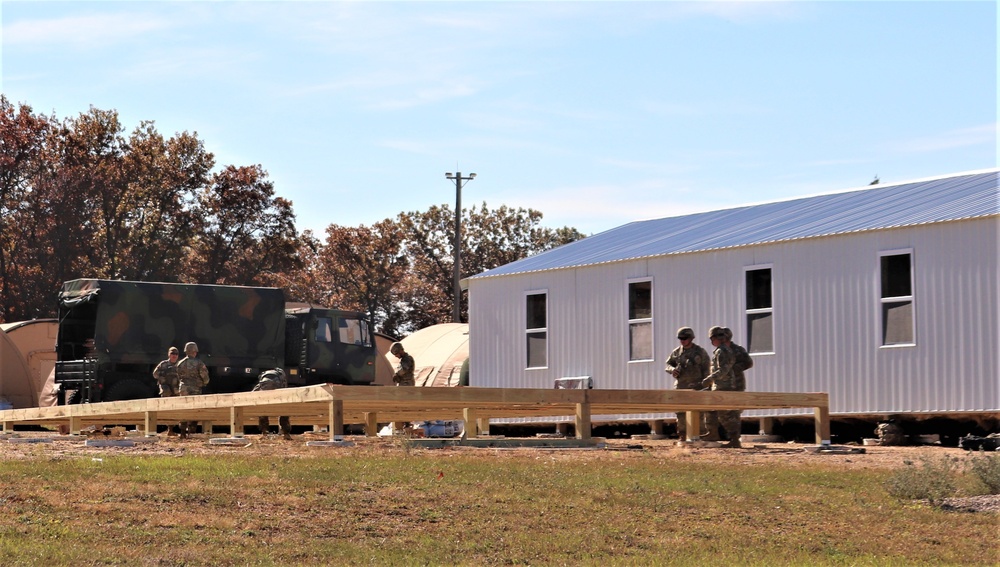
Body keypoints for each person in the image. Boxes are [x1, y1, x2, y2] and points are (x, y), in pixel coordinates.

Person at [663, 326, 709, 441]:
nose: (682, 341)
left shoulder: (700, 352)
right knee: (681, 412)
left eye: (684, 338)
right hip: (681, 387)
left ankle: (700, 435)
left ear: (691, 338)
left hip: (696, 388)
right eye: (680, 338)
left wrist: (706, 385)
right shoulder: (677, 352)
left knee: (698, 412)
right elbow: (668, 365)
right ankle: (683, 435)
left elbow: (707, 370)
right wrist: (672, 370)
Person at [702, 326, 740, 447]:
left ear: (715, 338)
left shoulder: (722, 351)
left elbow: (723, 369)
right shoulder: (724, 350)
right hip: (722, 386)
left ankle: (734, 440)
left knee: (726, 415)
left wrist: (709, 379)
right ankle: (713, 433)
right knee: (718, 412)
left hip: (724, 386)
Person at [175, 341, 210, 438]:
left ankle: (182, 431)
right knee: (195, 409)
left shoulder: (180, 363)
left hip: (183, 388)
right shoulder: (199, 363)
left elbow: (178, 376)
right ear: (194, 351)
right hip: (195, 389)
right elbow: (205, 376)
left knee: (184, 408)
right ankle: (192, 430)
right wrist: (204, 383)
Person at [252, 368, 291, 440]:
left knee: (262, 412)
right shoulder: (281, 377)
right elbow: (285, 389)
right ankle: (286, 434)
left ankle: (265, 433)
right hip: (279, 397)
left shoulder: (264, 378)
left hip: (265, 397)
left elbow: (255, 390)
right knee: (284, 412)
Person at [152, 346, 181, 436]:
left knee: (175, 410)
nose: (174, 356)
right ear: (169, 354)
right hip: (166, 391)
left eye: (176, 354)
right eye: (172, 354)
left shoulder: (180, 365)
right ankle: (168, 429)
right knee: (166, 409)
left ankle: (171, 429)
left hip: (176, 390)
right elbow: (155, 374)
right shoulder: (163, 364)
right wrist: (162, 379)